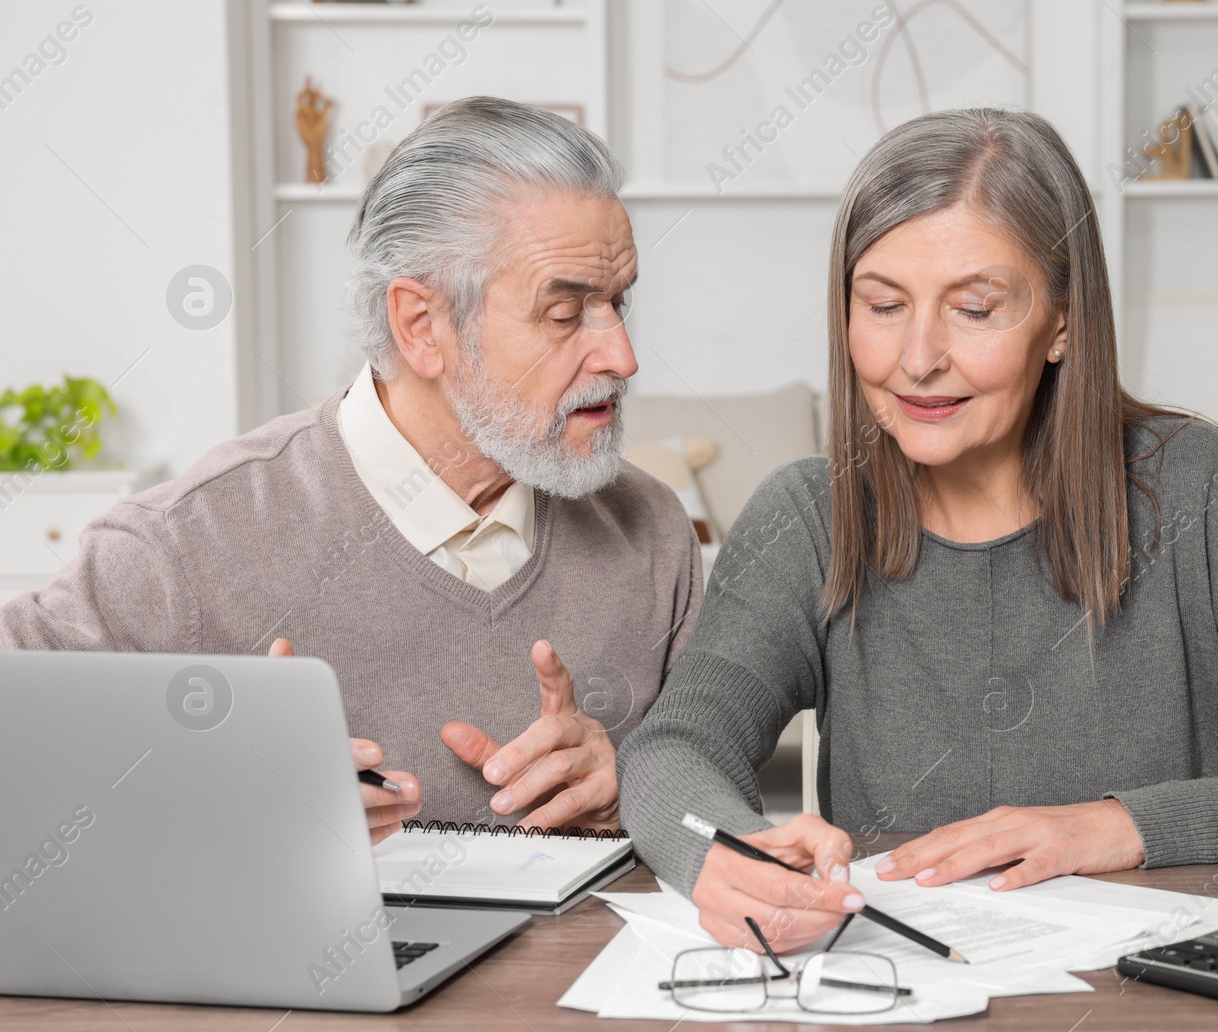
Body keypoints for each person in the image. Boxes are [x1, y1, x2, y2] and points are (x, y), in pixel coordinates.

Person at [615, 107, 1218, 953]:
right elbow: (676, 748)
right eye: (883, 305)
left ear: (1063, 322)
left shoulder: (1191, 489)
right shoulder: (811, 516)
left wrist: (1115, 826)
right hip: (917, 990)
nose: (917, 356)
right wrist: (722, 851)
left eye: (973, 308)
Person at [0, 98, 702, 844]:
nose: (622, 356)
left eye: (617, 302)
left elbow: (718, 801)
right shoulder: (185, 543)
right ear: (421, 327)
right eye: (566, 315)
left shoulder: (652, 534)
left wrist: (636, 787)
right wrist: (202, 787)